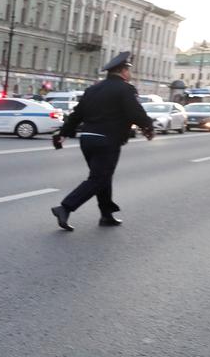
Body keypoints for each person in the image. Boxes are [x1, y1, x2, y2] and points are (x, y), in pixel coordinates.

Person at [50, 51, 155, 230]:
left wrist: (63, 133)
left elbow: (77, 114)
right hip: (107, 140)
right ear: (123, 71)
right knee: (99, 178)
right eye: (129, 70)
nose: (130, 74)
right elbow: (135, 112)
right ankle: (65, 207)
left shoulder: (92, 89)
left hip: (87, 140)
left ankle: (106, 214)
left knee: (102, 176)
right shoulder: (125, 89)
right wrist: (148, 127)